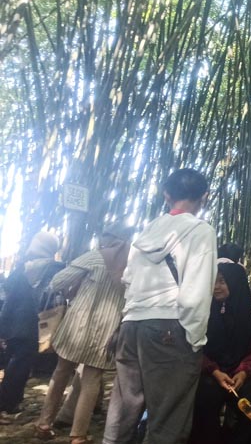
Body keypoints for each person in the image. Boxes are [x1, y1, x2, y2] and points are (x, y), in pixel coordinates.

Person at [102, 168, 218, 444]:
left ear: (166, 196)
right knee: (167, 419)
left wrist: (129, 318)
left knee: (124, 412)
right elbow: (196, 291)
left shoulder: (146, 232)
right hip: (170, 326)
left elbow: (128, 280)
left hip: (132, 325)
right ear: (205, 197)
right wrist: (194, 338)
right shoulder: (200, 230)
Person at [35, 221, 134, 443]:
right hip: (108, 330)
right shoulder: (133, 264)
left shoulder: (95, 257)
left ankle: (43, 423)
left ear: (107, 238)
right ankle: (78, 435)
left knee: (61, 372)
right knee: (91, 380)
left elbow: (58, 282)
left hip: (76, 326)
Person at [189, 263, 251, 444]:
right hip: (210, 373)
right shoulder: (201, 312)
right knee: (202, 401)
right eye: (213, 281)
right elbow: (195, 349)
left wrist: (243, 372)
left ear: (235, 283)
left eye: (222, 281)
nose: (216, 287)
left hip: (243, 375)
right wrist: (214, 371)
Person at [0, 231, 62, 423]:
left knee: (14, 364)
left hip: (14, 322)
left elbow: (10, 294)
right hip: (36, 324)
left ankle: (11, 401)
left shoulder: (22, 266)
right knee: (20, 366)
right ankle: (8, 405)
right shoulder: (52, 268)